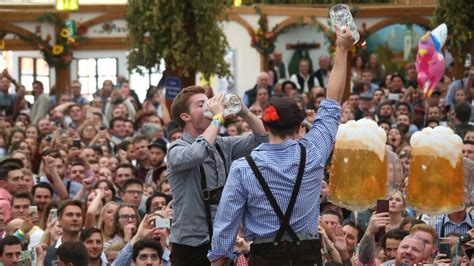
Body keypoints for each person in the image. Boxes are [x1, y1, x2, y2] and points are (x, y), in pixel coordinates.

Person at [208, 26, 353, 266]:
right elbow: (333, 102)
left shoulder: (243, 168)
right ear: (298, 129)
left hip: (264, 258)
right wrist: (342, 48)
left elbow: (225, 227)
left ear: (265, 128)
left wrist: (218, 260)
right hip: (308, 256)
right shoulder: (314, 151)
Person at [167, 86, 267, 265]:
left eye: (209, 102)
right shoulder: (176, 149)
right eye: (201, 104)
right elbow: (197, 153)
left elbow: (262, 139)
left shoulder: (223, 144)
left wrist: (243, 110)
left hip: (222, 241)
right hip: (190, 244)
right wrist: (217, 117)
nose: (209, 106)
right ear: (185, 116)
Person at [43, 200, 84, 266]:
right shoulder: (47, 254)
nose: (75, 218)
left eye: (78, 215)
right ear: (60, 220)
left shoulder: (90, 249)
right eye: (70, 215)